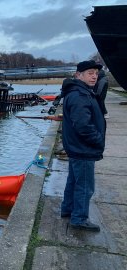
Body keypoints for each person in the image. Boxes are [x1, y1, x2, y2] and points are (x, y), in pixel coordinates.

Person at [60, 60, 106, 232]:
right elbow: (83, 126)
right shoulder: (80, 95)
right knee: (85, 186)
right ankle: (79, 218)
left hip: (76, 147)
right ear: (78, 75)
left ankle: (68, 209)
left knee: (73, 181)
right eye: (90, 73)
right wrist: (98, 140)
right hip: (83, 148)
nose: (94, 76)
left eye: (95, 73)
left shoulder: (78, 92)